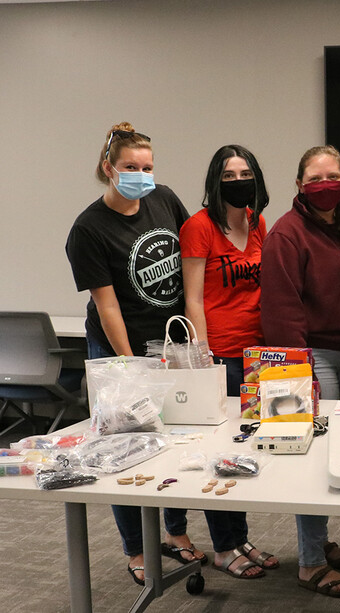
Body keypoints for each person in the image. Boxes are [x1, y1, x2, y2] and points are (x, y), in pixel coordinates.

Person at [65, 122, 204, 585]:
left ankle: (176, 534)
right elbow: (107, 306)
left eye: (147, 167)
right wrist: (133, 365)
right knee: (124, 447)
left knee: (176, 443)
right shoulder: (88, 229)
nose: (141, 175)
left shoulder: (164, 199)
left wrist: (186, 344)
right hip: (119, 348)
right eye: (130, 167)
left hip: (170, 342)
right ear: (108, 168)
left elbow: (189, 262)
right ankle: (137, 549)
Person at [261, 145, 340, 598]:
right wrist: (301, 377)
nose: (325, 185)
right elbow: (282, 311)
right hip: (311, 352)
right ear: (299, 185)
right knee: (312, 455)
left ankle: (318, 542)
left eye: (332, 176)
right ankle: (309, 562)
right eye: (314, 178)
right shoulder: (286, 234)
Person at [179, 144, 278, 579]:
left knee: (248, 451)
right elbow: (194, 297)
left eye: (245, 173)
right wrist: (203, 357)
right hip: (219, 355)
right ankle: (222, 547)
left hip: (258, 355)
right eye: (229, 174)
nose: (238, 181)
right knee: (219, 452)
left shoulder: (258, 222)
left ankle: (239, 536)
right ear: (215, 181)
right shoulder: (199, 227)